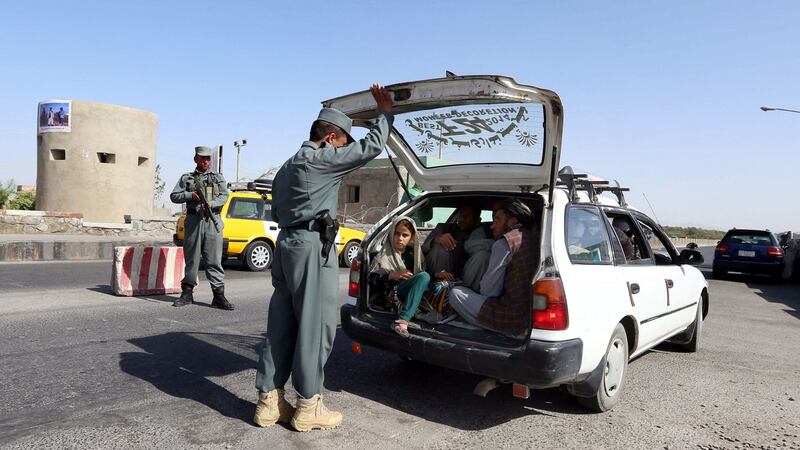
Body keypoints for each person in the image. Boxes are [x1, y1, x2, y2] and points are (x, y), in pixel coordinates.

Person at [254, 84, 393, 432]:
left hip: (287, 243)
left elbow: (277, 209)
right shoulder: (322, 159)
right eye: (343, 141)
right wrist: (386, 113)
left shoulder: (286, 167)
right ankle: (308, 405)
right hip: (313, 248)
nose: (343, 148)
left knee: (281, 325)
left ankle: (269, 402)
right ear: (332, 137)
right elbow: (371, 147)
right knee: (315, 327)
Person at [448, 198, 539, 335]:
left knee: (455, 294)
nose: (492, 226)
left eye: (497, 219)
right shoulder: (535, 238)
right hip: (529, 316)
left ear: (512, 222)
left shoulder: (503, 243)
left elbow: (489, 292)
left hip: (509, 318)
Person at [169, 146, 234, 311]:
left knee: (214, 260)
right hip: (194, 221)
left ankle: (218, 296)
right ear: (195, 159)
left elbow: (224, 195)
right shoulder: (187, 178)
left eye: (208, 158)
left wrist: (211, 203)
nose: (205, 161)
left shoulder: (217, 177)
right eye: (202, 158)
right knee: (192, 259)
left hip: (212, 220)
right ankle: (187, 294)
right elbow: (174, 196)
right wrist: (191, 195)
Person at [368, 217, 430, 337]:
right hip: (392, 294)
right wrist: (393, 275)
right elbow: (372, 279)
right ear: (392, 233)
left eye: (405, 235)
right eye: (397, 234)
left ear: (411, 237)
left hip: (409, 291)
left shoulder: (413, 254)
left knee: (424, 277)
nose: (400, 238)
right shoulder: (384, 254)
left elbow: (421, 274)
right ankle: (402, 321)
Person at [422, 204, 481, 280]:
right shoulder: (443, 228)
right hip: (436, 276)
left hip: (464, 279)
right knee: (441, 247)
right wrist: (435, 240)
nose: (462, 218)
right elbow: (422, 250)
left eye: (468, 215)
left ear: (477, 220)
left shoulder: (480, 235)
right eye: (461, 214)